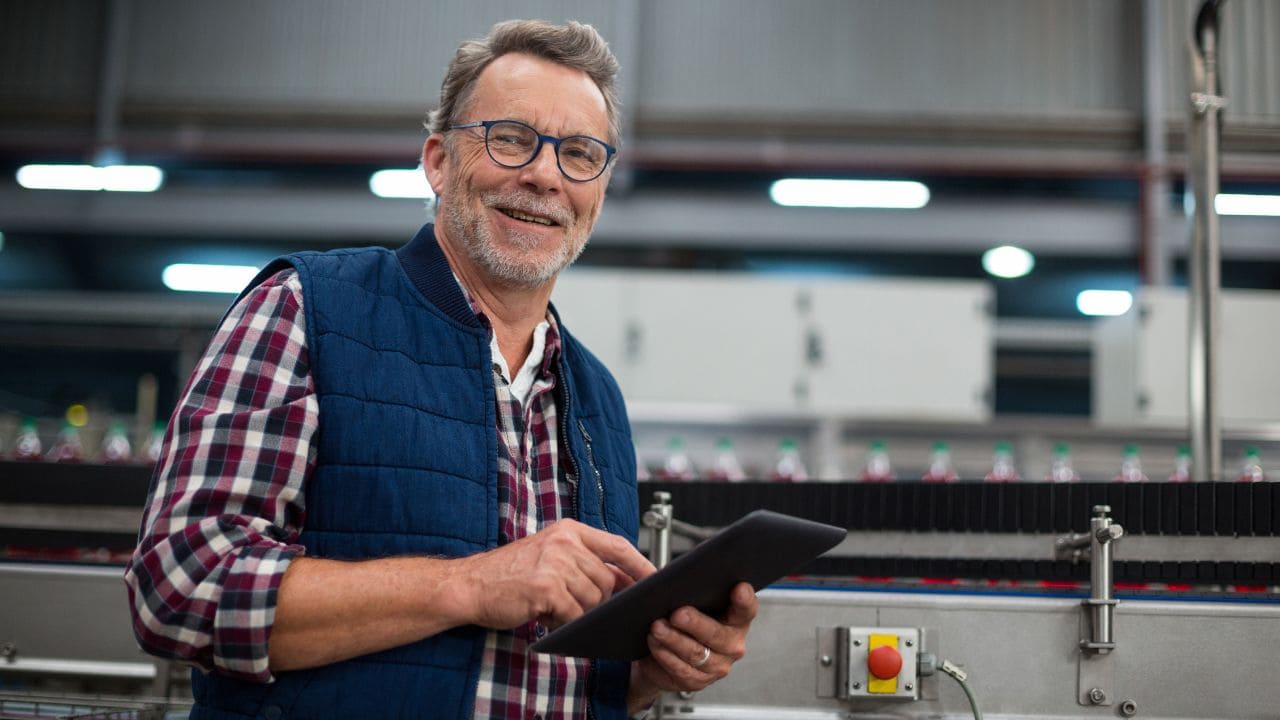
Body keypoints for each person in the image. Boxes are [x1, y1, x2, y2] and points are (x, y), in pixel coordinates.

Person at [124, 18, 757, 720]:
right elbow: (179, 588)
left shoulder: (595, 397)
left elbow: (563, 683)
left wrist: (649, 670)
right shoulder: (306, 310)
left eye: (580, 154)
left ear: (599, 190)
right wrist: (469, 586)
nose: (545, 175)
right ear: (437, 160)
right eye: (512, 139)